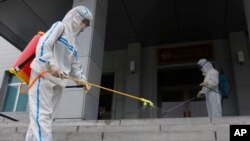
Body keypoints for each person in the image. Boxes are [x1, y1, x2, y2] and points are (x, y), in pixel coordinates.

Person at [25, 6, 92, 141]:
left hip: (58, 82)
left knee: (46, 117)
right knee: (41, 115)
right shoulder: (60, 26)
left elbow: (75, 65)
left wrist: (82, 80)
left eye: (86, 24)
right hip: (43, 75)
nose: (84, 27)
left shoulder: (75, 42)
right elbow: (43, 44)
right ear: (76, 17)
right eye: (84, 22)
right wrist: (50, 64)